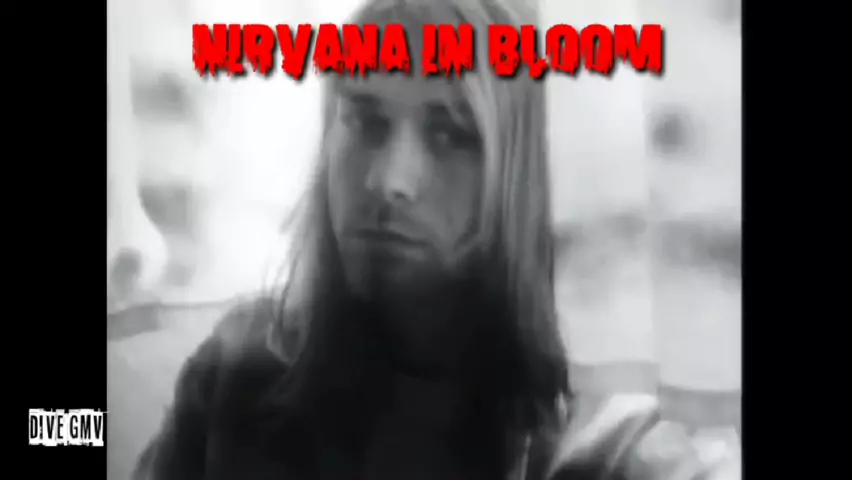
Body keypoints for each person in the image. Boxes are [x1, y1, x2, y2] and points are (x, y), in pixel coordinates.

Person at [134, 0, 738, 479]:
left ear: (530, 175)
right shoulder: (241, 372)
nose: (388, 181)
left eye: (452, 135)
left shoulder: (617, 434)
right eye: (365, 121)